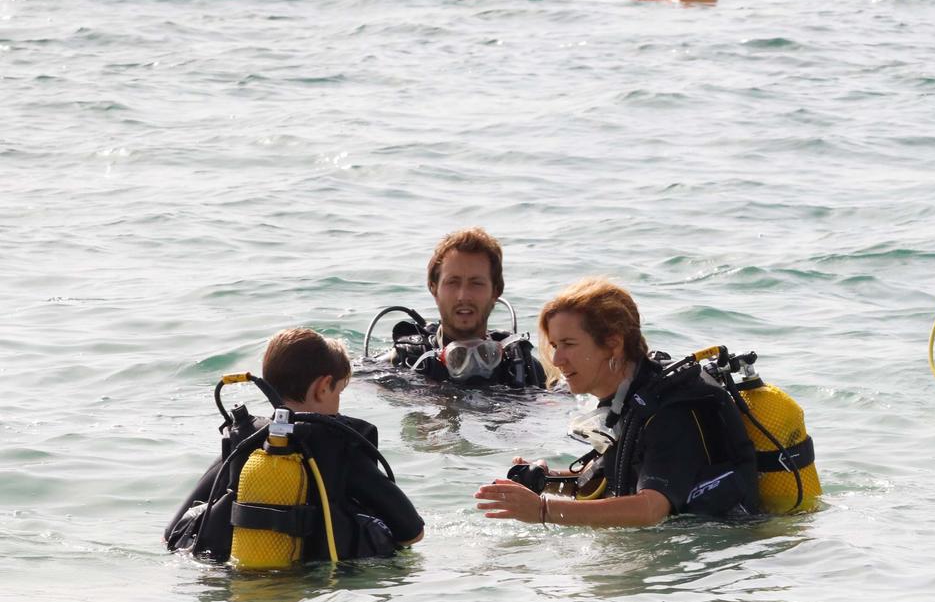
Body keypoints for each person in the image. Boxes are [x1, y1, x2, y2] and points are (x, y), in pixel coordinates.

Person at [473, 278, 760, 527]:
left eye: (569, 344)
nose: (558, 360)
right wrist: (545, 481)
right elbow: (616, 481)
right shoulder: (630, 399)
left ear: (613, 344)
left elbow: (650, 509)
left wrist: (544, 511)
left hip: (717, 557)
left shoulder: (671, 409)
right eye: (555, 346)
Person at [165, 328, 425, 560]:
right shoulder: (339, 446)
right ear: (323, 387)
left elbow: (172, 533)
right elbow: (412, 532)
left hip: (242, 573)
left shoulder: (244, 443)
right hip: (322, 582)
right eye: (338, 392)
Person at [387, 227, 545, 388]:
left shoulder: (525, 371)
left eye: (476, 283)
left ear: (496, 291)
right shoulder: (402, 364)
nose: (463, 296)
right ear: (434, 288)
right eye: (453, 282)